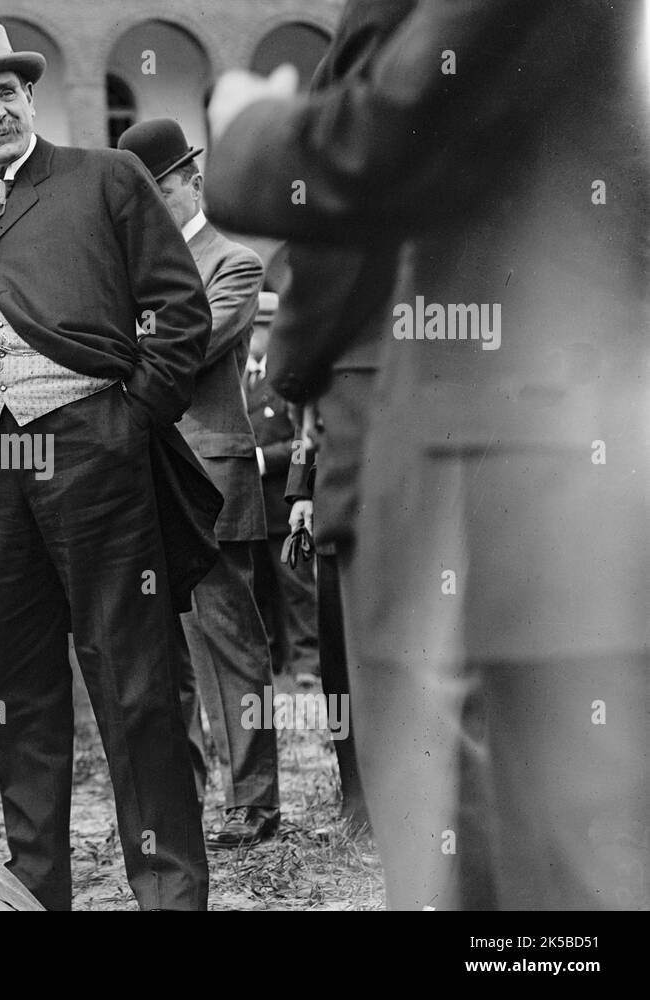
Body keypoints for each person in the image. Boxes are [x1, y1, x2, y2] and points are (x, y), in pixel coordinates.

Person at [205, 0, 650, 909]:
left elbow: (386, 141)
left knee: (499, 856)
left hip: (509, 462)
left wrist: (243, 121)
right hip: (570, 438)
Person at [0, 22, 216, 910]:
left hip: (98, 457)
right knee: (15, 693)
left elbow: (178, 310)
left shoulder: (107, 179)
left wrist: (127, 422)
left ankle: (167, 891)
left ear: (29, 100)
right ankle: (36, 892)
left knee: (134, 684)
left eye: (8, 93)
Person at [273, 0, 419, 835]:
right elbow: (308, 394)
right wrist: (302, 486)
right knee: (339, 653)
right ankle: (357, 790)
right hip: (341, 469)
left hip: (413, 460)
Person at [117, 118, 280, 845]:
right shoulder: (128, 269)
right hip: (141, 477)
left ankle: (254, 801)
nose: (152, 206)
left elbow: (190, 347)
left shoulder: (233, 263)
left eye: (161, 189)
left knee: (230, 646)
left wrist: (121, 344)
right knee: (161, 648)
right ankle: (187, 795)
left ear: (193, 181)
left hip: (210, 477)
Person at [245, 311, 319, 686]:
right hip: (249, 507)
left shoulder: (285, 379)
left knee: (297, 587)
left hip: (285, 502)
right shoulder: (239, 381)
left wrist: (262, 459)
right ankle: (272, 663)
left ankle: (307, 664)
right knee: (259, 591)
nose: (252, 335)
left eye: (258, 328)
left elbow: (300, 441)